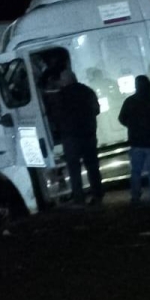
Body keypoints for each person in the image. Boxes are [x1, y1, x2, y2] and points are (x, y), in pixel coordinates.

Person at [117, 74, 150, 203]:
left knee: (136, 171)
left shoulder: (129, 101)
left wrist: (131, 126)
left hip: (136, 141)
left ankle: (135, 195)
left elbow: (121, 118)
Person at [56, 69, 103, 205]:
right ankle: (97, 194)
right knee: (92, 166)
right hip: (88, 134)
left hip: (70, 137)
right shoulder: (87, 91)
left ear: (65, 81)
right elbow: (97, 110)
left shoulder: (61, 95)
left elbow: (56, 116)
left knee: (74, 169)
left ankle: (79, 198)